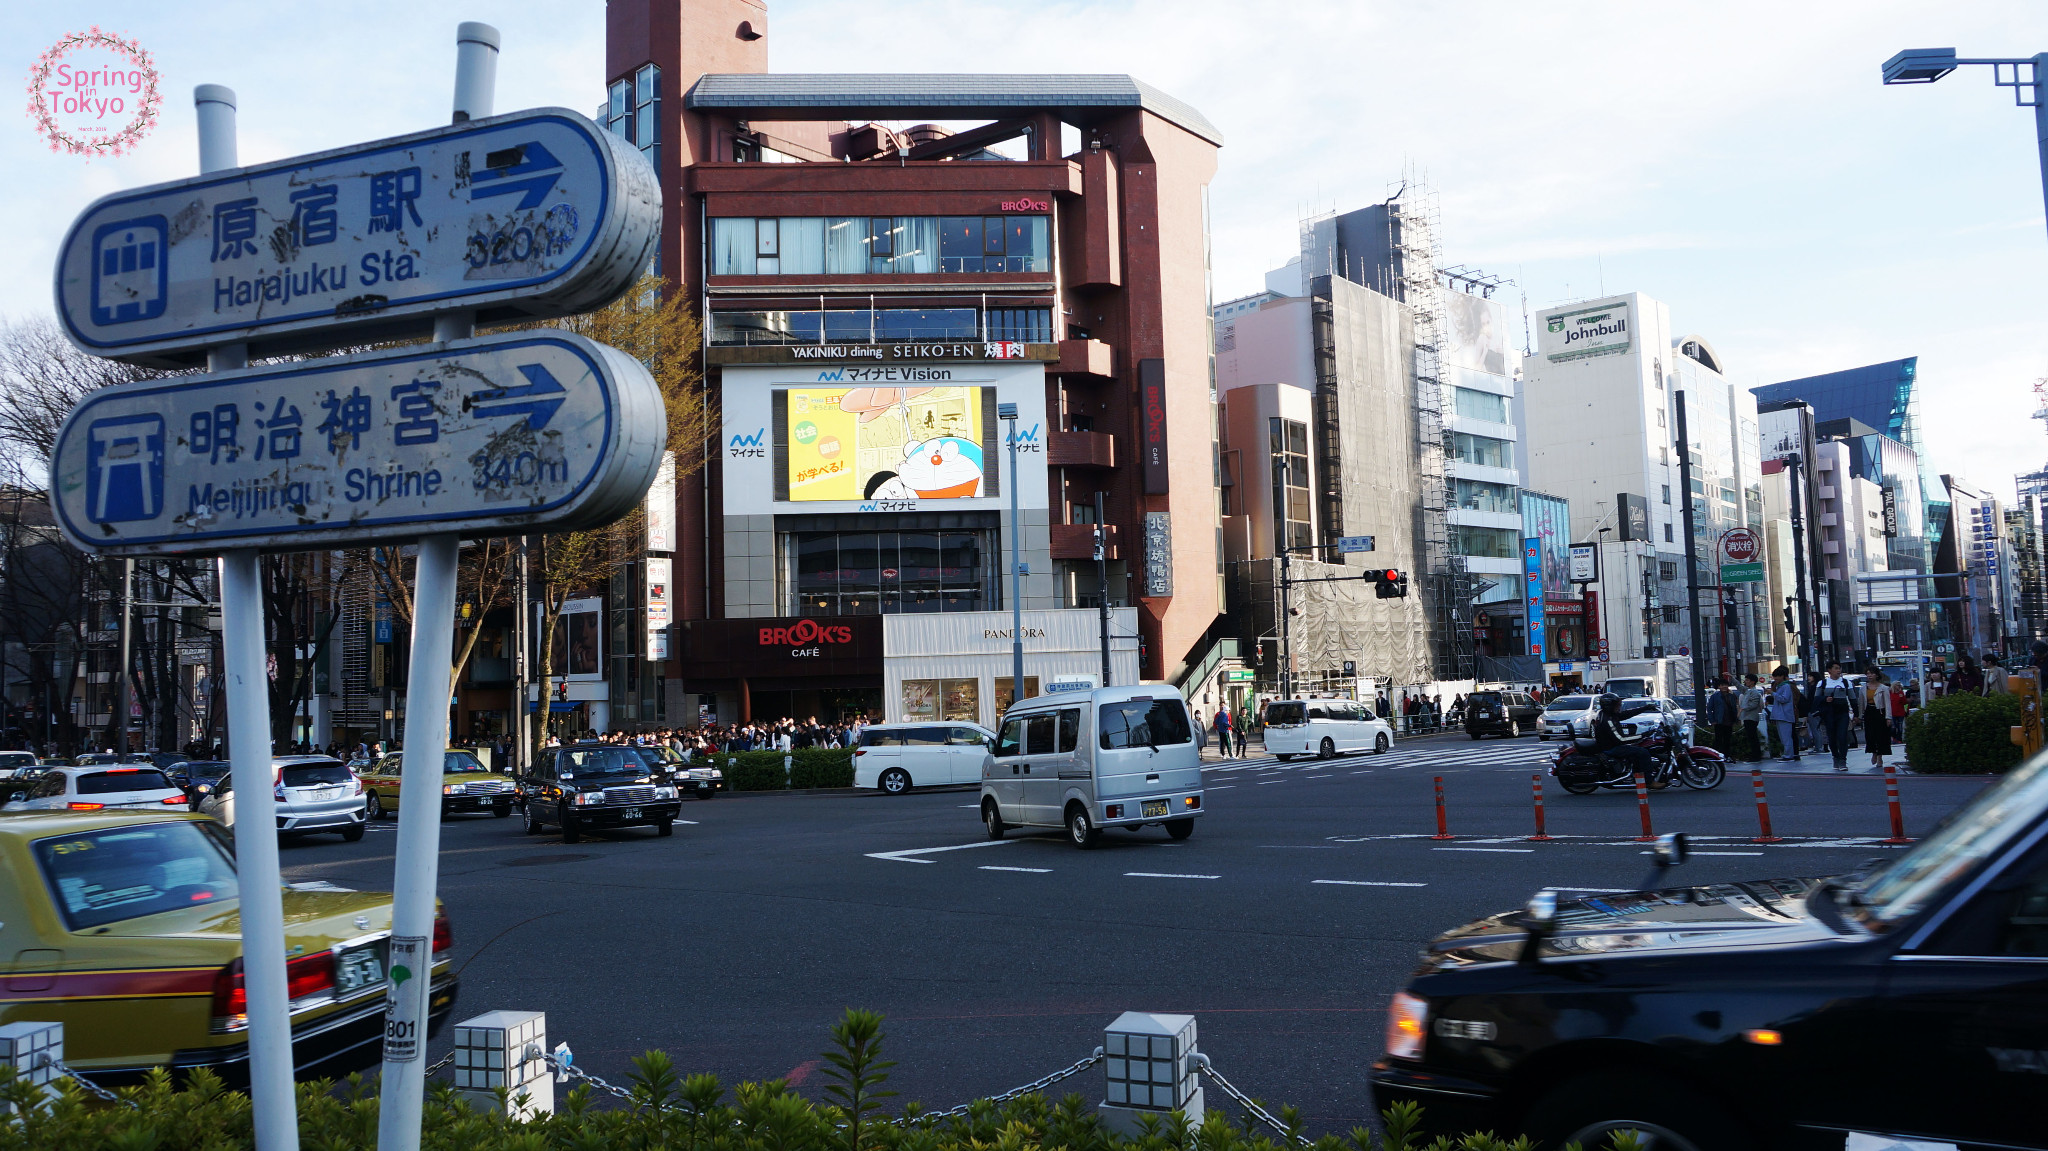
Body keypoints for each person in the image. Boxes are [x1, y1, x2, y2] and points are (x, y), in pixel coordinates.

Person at [1590, 693, 1655, 781]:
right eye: (1617, 705)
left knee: (1637, 749)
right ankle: (1649, 780)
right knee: (1643, 752)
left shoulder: (1606, 714)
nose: (1619, 707)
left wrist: (1645, 708)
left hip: (1610, 745)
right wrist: (1643, 735)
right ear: (1609, 706)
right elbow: (1621, 739)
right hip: (1611, 748)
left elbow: (1626, 714)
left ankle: (1635, 773)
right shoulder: (1608, 720)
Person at [1817, 662, 1856, 772]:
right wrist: (1825, 699)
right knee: (1832, 738)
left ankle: (1843, 760)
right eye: (1836, 668)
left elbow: (1853, 699)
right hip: (1829, 713)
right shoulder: (1822, 683)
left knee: (1842, 736)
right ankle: (1835, 756)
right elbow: (1816, 699)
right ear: (1829, 670)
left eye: (1839, 668)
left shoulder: (1846, 682)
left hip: (1842, 712)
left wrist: (1856, 715)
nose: (1838, 670)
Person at [1767, 667, 1800, 761]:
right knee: (1785, 737)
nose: (1775, 678)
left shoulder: (1786, 686)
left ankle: (1788, 755)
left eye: (1777, 676)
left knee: (1786, 737)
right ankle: (1789, 754)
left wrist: (1773, 693)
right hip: (1782, 715)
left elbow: (1784, 699)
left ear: (1782, 676)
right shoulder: (1781, 686)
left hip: (1785, 715)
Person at [1863, 670, 1894, 770]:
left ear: (1876, 675)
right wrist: (1859, 716)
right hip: (1868, 712)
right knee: (1870, 735)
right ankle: (1874, 753)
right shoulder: (1864, 688)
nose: (1869, 675)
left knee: (1881, 736)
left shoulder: (1883, 688)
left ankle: (1880, 756)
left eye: (1871, 673)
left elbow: (1887, 703)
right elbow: (1861, 702)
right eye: (1868, 674)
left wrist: (1888, 717)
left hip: (1880, 713)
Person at [1739, 673, 1766, 762]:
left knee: (1752, 737)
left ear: (1752, 682)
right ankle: (1755, 755)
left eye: (1747, 680)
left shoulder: (1754, 692)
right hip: (1747, 716)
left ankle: (1756, 756)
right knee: (1751, 737)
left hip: (1751, 717)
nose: (1745, 682)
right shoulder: (1747, 691)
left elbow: (1755, 705)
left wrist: (1743, 708)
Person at [1704, 678, 1735, 752]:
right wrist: (1712, 720)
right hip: (1718, 721)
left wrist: (1735, 719)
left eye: (1726, 685)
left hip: (1729, 721)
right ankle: (1717, 755)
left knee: (1727, 740)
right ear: (1719, 686)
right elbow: (1709, 709)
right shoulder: (1715, 696)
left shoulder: (1731, 696)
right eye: (1722, 685)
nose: (1724, 687)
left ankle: (1727, 756)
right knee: (1718, 740)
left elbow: (1734, 708)